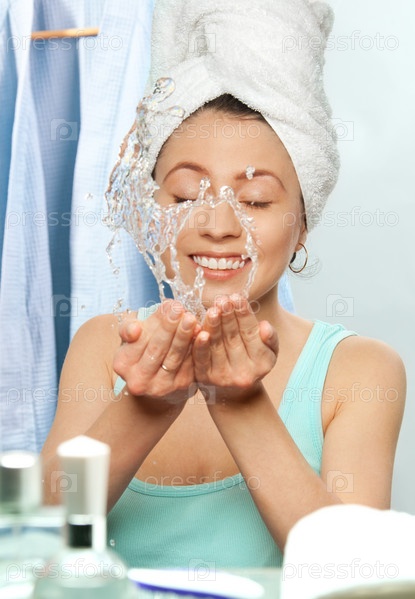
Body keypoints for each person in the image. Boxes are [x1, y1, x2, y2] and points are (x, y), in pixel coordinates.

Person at [41, 0, 406, 569]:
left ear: (302, 223)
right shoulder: (102, 346)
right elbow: (35, 540)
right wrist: (145, 407)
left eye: (255, 200)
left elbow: (355, 576)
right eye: (187, 195)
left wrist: (239, 404)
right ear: (151, 211)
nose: (217, 225)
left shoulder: (359, 371)